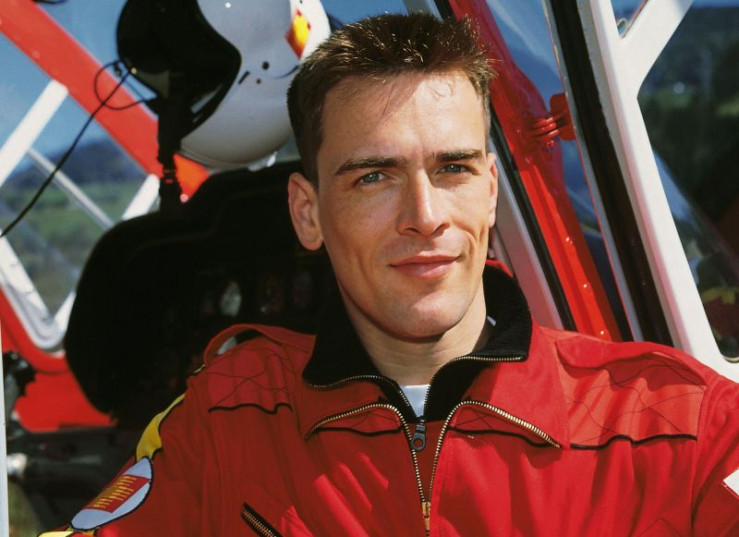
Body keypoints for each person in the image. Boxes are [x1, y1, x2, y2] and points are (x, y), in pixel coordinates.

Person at [44, 12, 738, 537]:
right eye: (374, 177)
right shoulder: (227, 418)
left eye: (453, 168)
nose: (424, 216)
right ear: (308, 214)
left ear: (490, 192)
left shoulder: (680, 425)